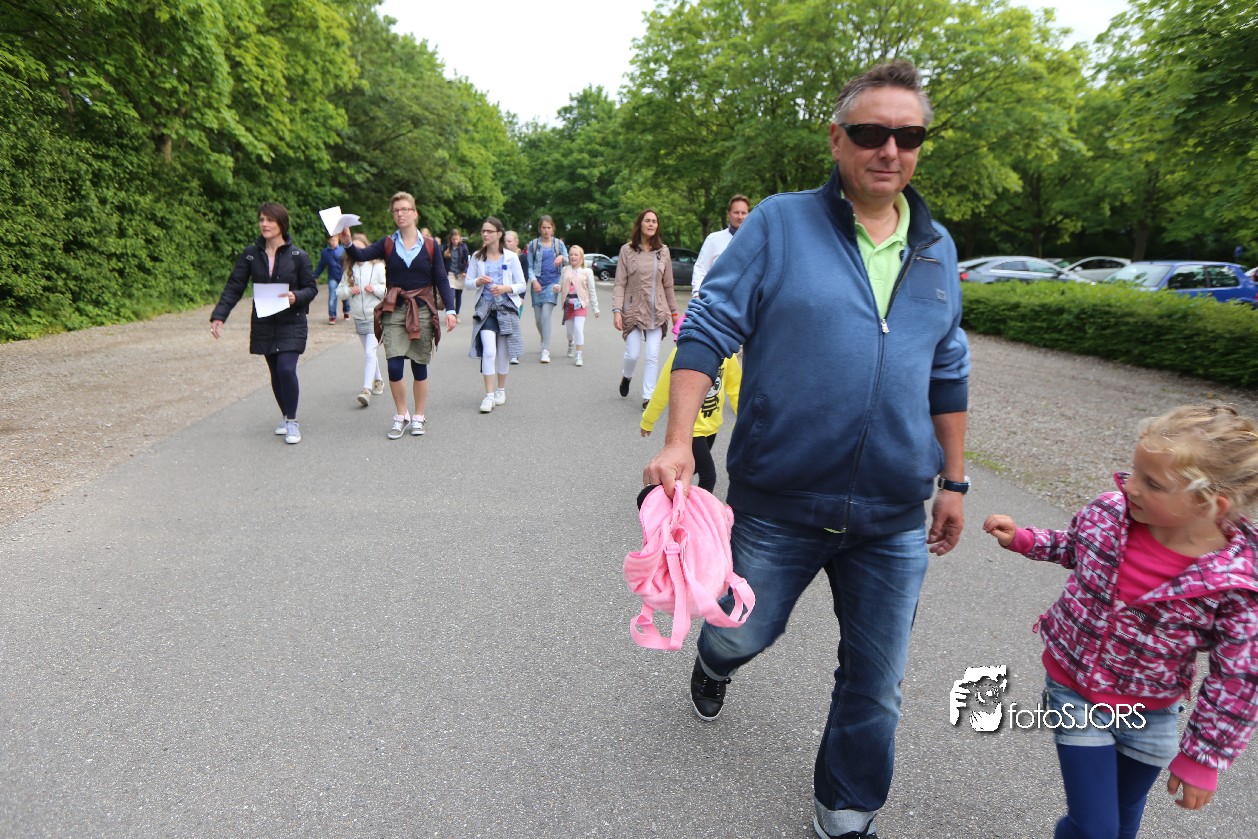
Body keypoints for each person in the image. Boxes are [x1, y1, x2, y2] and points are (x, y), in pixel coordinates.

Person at [643, 60, 969, 839]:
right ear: (837, 138)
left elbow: (948, 365)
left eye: (909, 136)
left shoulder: (936, 246)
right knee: (742, 630)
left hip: (893, 511)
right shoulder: (781, 224)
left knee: (877, 680)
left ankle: (847, 809)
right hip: (781, 499)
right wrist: (680, 439)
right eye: (872, 131)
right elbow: (709, 323)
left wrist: (953, 480)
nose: (890, 149)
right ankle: (716, 659)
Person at [983, 404, 1258, 839]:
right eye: (1135, 471)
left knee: (1122, 819)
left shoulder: (1237, 582)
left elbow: (1239, 677)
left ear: (1209, 504)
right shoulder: (1109, 513)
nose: (1129, 486)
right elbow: (1074, 546)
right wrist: (1025, 539)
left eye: (1152, 483)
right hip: (1075, 690)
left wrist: (1203, 757)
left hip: (1152, 711)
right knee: (1096, 828)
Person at [341, 191, 456, 439]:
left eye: (404, 209)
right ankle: (401, 414)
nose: (400, 214)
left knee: (418, 365)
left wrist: (451, 310)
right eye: (396, 211)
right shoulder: (387, 244)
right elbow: (360, 256)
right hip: (394, 309)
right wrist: (348, 242)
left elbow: (441, 279)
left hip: (422, 308)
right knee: (394, 365)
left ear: (415, 213)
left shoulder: (430, 245)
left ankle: (419, 416)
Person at [210, 202, 319, 445]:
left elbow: (311, 289)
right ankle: (285, 415)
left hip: (291, 321)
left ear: (282, 223)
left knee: (286, 369)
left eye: (269, 220)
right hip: (264, 322)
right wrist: (219, 315)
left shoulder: (298, 256)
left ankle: (292, 421)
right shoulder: (251, 254)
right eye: (261, 219)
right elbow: (234, 286)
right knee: (275, 372)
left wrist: (296, 296)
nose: (264, 224)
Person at [641, 314, 740, 493]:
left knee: (691, 467)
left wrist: (744, 418)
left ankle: (664, 491)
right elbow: (662, 390)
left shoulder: (728, 355)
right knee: (708, 476)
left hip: (712, 425)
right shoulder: (682, 354)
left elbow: (736, 388)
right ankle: (695, 509)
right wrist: (648, 420)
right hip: (691, 428)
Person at [613, 209, 679, 408]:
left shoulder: (663, 251)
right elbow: (619, 283)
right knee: (632, 354)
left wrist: (674, 313)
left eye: (654, 221)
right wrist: (617, 310)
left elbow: (668, 284)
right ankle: (627, 376)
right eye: (647, 221)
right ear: (640, 224)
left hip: (657, 310)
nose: (651, 224)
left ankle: (648, 396)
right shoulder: (627, 250)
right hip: (633, 309)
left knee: (652, 354)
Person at [466, 217, 527, 413]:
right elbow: (468, 283)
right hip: (485, 309)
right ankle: (489, 395)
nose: (485, 234)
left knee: (502, 352)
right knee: (489, 351)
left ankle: (501, 390)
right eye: (483, 231)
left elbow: (522, 284)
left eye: (489, 231)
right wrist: (478, 281)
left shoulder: (511, 257)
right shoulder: (477, 257)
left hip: (506, 308)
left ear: (499, 234)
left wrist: (505, 288)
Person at [337, 232, 386, 407]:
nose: (357, 251)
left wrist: (375, 289)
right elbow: (339, 292)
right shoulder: (349, 270)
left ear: (367, 248)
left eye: (360, 248)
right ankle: (379, 380)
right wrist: (349, 291)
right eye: (354, 248)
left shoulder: (378, 266)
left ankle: (366, 390)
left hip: (375, 316)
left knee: (369, 352)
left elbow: (388, 290)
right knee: (369, 351)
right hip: (359, 317)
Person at [691, 194, 751, 298]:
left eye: (743, 213)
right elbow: (700, 269)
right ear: (728, 214)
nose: (740, 217)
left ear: (749, 214)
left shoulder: (757, 242)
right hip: (717, 299)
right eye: (736, 212)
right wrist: (697, 294)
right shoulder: (713, 240)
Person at [526, 215, 568, 363]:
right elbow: (529, 266)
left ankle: (545, 350)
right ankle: (544, 338)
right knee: (538, 320)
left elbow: (569, 260)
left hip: (553, 283)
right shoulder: (533, 245)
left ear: (553, 228)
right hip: (537, 284)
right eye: (543, 227)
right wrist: (534, 281)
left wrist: (562, 258)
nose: (546, 230)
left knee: (545, 316)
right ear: (539, 228)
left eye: (549, 227)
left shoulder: (558, 244)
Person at [556, 245, 599, 367]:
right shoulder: (565, 269)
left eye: (576, 254)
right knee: (570, 332)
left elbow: (592, 291)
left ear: (581, 257)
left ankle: (579, 355)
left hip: (581, 305)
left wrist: (595, 308)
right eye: (571, 254)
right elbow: (560, 285)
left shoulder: (587, 271)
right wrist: (557, 288)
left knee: (578, 329)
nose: (573, 257)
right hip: (568, 305)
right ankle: (571, 343)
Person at [505, 230, 530, 365]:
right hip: (503, 295)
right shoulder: (501, 256)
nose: (506, 243)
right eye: (505, 241)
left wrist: (521, 296)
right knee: (504, 323)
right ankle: (504, 350)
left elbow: (524, 278)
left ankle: (514, 354)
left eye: (509, 241)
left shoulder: (522, 258)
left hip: (516, 295)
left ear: (516, 242)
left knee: (514, 324)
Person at [314, 234, 350, 323]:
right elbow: (321, 265)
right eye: (332, 240)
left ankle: (346, 311)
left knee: (345, 295)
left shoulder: (342, 250)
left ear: (338, 240)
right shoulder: (325, 253)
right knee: (332, 297)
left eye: (335, 240)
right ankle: (332, 315)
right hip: (332, 277)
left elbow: (348, 263)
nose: (333, 242)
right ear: (328, 241)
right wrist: (315, 276)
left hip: (343, 277)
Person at [444, 228, 471, 318]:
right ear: (450, 239)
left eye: (457, 239)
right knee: (451, 294)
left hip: (460, 273)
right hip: (450, 273)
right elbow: (442, 260)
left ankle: (457, 313)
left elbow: (467, 261)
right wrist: (446, 255)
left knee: (458, 295)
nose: (455, 241)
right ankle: (451, 313)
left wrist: (465, 271)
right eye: (453, 239)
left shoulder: (463, 247)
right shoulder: (447, 247)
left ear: (460, 238)